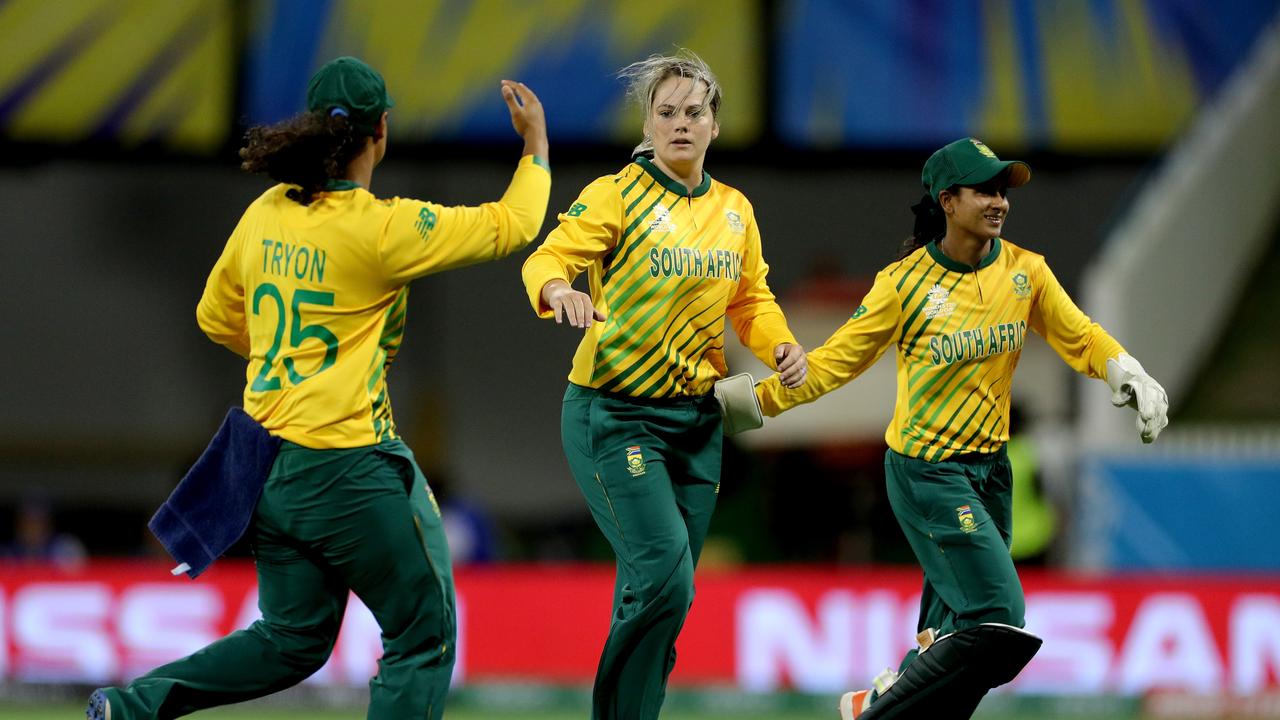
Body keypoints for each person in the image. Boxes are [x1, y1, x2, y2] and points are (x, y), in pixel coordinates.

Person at [87, 56, 550, 720]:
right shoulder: (380, 228)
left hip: (262, 467)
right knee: (425, 634)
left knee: (292, 638)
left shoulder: (265, 214)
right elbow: (514, 223)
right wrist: (534, 143)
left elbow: (214, 317)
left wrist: (284, 354)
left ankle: (132, 710)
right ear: (380, 132)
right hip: (344, 467)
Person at [754, 137, 1169, 720]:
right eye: (983, 190)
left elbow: (1080, 335)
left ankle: (886, 695)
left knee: (953, 641)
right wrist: (755, 403)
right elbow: (833, 364)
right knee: (998, 615)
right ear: (947, 201)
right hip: (928, 473)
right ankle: (873, 711)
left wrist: (1128, 372)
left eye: (1003, 190)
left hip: (990, 473)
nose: (999, 201)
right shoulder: (904, 284)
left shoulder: (1026, 272)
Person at [520, 49, 806, 720]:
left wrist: (780, 342)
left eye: (695, 112)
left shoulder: (735, 210)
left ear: (714, 126)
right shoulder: (615, 194)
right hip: (615, 415)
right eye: (667, 112)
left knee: (657, 597)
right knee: (666, 582)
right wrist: (559, 290)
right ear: (647, 126)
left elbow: (751, 302)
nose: (681, 123)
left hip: (697, 427)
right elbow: (548, 258)